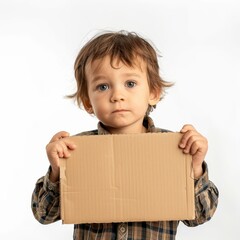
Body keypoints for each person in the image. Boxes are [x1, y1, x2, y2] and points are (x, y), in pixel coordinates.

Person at [31, 30, 219, 239]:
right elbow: (43, 214)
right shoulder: (75, 150)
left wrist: (194, 168)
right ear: (87, 102)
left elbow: (200, 217)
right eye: (103, 86)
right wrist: (58, 171)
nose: (117, 96)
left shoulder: (176, 148)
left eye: (130, 84)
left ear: (153, 92)